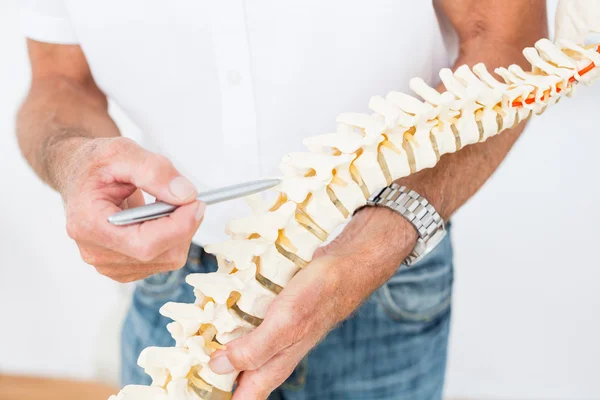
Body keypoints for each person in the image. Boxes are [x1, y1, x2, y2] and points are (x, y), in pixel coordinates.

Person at [17, 1, 549, 399]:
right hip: (180, 291)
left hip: (388, 274)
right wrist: (73, 159)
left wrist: (382, 238)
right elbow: (60, 79)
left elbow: (509, 43)